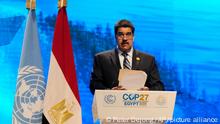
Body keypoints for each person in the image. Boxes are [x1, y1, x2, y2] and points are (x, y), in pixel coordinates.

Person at [90, 19, 164, 94]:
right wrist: (111, 92)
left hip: (140, 103)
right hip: (113, 104)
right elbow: (94, 85)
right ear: (115, 36)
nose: (125, 38)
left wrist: (148, 91)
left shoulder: (148, 60)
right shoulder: (101, 59)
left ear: (133, 37)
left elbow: (158, 86)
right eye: (120, 34)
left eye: (128, 34)